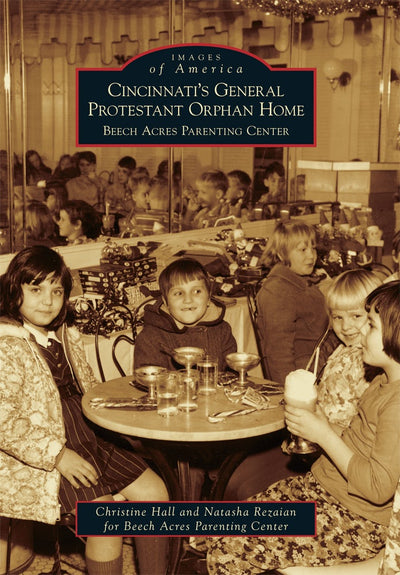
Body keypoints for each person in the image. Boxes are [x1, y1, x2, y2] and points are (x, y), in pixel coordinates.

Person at [207, 280, 400, 574]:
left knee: (226, 554)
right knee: (220, 526)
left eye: (371, 325)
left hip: (354, 520)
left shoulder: (397, 404)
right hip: (323, 491)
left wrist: (323, 434)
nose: (361, 330)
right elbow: (360, 444)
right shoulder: (382, 381)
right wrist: (322, 423)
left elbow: (377, 488)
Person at [0, 246, 169, 575]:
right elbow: (4, 422)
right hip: (43, 453)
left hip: (89, 435)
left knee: (155, 493)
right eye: (35, 289)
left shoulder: (66, 335)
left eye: (56, 291)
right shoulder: (6, 346)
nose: (47, 301)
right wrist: (58, 455)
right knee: (106, 521)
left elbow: (88, 387)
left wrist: (115, 410)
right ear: (14, 291)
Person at [256, 220, 329, 384]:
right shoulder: (278, 292)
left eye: (313, 248)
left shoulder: (299, 281)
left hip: (320, 364)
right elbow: (278, 353)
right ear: (282, 254)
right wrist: (288, 390)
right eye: (303, 249)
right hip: (304, 377)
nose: (311, 256)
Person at [134, 257, 237, 371]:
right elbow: (147, 378)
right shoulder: (150, 338)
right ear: (166, 302)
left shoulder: (222, 331)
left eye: (197, 291)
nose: (188, 300)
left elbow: (233, 374)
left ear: (208, 297)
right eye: (179, 293)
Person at [315, 268, 383, 429]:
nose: (345, 326)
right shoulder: (343, 349)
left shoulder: (368, 360)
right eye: (338, 317)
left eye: (356, 316)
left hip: (337, 437)